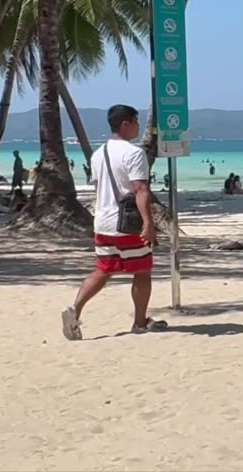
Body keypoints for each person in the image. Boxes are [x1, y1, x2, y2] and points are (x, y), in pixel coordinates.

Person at [61, 104, 165, 341]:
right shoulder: (134, 153)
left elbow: (100, 189)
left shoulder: (98, 154)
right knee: (142, 270)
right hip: (127, 224)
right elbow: (140, 190)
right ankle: (139, 322)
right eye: (136, 122)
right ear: (125, 124)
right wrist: (148, 223)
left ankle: (74, 309)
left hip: (103, 222)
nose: (138, 126)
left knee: (103, 270)